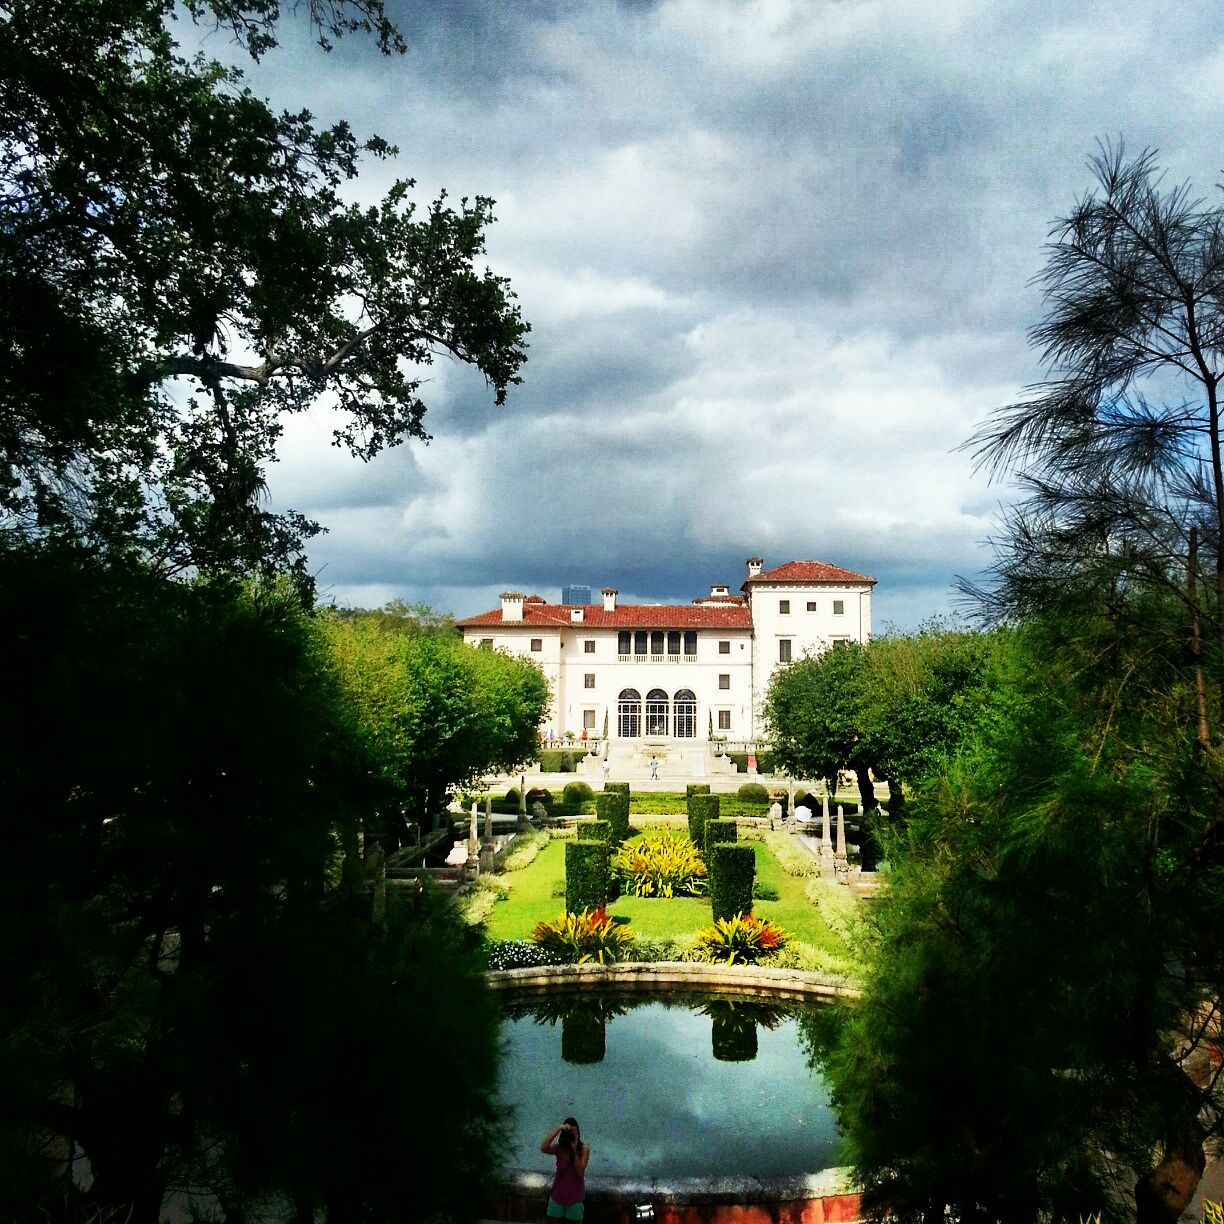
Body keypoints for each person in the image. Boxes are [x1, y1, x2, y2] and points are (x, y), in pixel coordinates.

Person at [540, 1116, 589, 1220]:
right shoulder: (559, 1148)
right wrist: (558, 1128)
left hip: (575, 1198)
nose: (571, 1135)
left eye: (574, 1133)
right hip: (557, 1196)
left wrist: (574, 1150)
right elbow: (543, 1148)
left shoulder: (584, 1149)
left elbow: (580, 1172)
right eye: (569, 1133)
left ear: (578, 1133)